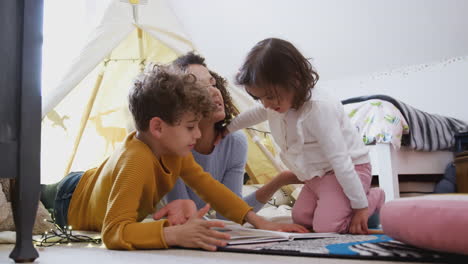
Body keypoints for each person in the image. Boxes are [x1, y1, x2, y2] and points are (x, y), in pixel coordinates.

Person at [40, 64, 307, 251]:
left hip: (88, 186)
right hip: (69, 198)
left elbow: (211, 188)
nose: (196, 134)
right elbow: (113, 232)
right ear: (157, 127)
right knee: (31, 195)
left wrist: (259, 222)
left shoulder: (174, 153)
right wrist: (173, 234)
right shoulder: (136, 160)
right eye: (190, 126)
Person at [224, 38, 386, 235]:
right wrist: (226, 129)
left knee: (327, 228)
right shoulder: (277, 103)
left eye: (269, 97)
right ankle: (348, 206)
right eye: (259, 98)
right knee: (301, 218)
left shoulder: (318, 108)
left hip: (346, 170)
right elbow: (255, 113)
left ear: (294, 80)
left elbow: (340, 160)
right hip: (315, 175)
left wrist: (360, 206)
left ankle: (372, 198)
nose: (265, 104)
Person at [154, 52, 300, 225]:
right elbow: (181, 217)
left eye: (212, 83)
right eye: (200, 87)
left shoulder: (234, 142)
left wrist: (280, 180)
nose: (214, 92)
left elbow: (229, 213)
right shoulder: (172, 147)